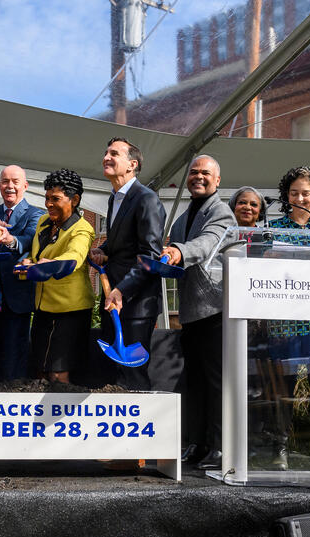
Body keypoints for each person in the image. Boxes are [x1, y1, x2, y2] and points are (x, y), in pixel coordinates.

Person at [161, 155, 236, 470]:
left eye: (205, 173)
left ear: (217, 180)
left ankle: (219, 447)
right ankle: (197, 442)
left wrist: (179, 251)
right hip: (191, 313)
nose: (198, 177)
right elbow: (170, 244)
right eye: (193, 172)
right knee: (193, 382)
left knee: (215, 382)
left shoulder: (222, 213)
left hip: (215, 312)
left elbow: (206, 244)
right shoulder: (184, 215)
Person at [267, 166, 310, 470]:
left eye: (305, 193)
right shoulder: (273, 227)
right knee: (283, 386)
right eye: (294, 193)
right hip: (285, 319)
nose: (299, 198)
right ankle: (280, 446)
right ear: (286, 196)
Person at [89, 137, 166, 391]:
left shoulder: (147, 199)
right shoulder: (115, 199)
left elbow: (150, 255)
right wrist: (103, 249)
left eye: (114, 154)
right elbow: (122, 243)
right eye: (105, 153)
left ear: (132, 164)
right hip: (114, 298)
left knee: (132, 376)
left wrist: (122, 290)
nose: (106, 158)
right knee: (113, 376)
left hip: (135, 303)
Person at [19, 169, 95, 383]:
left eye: (56, 199)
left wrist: (49, 264)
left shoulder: (82, 229)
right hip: (43, 309)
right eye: (46, 198)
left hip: (70, 312)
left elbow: (74, 257)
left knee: (58, 374)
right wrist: (29, 264)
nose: (49, 204)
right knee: (39, 372)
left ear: (75, 199)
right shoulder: (44, 222)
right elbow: (38, 256)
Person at [0, 165, 44, 381]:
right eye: (5, 182)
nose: (10, 186)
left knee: (14, 354)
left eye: (15, 181)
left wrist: (8, 239)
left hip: (16, 297)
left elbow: (28, 240)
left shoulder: (37, 215)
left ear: (25, 186)